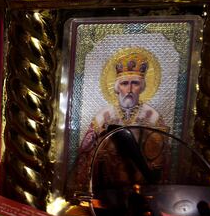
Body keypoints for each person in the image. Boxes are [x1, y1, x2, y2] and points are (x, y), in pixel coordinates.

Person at [71, 50, 165, 190]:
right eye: (124, 83)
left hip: (140, 184)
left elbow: (159, 156)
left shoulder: (152, 116)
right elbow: (86, 153)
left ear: (142, 87)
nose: (130, 89)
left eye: (135, 83)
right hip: (108, 184)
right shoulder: (104, 116)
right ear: (117, 87)